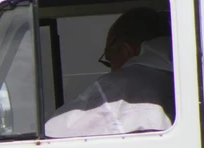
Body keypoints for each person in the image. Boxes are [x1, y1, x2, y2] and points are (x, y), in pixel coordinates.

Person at [46, 7, 175, 138]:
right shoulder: (182, 79)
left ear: (126, 50)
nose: (111, 69)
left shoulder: (121, 86)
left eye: (109, 61)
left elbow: (57, 133)